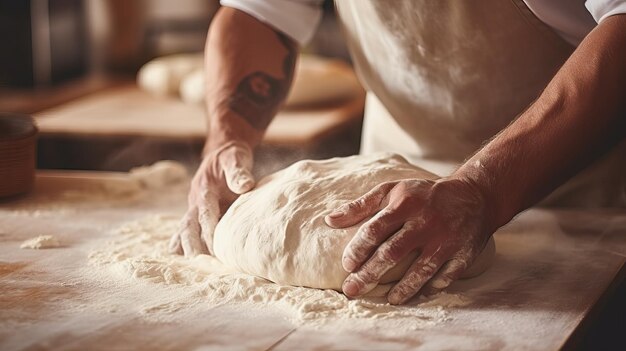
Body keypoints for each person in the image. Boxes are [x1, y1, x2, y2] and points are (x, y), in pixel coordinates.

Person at [169, 0, 626, 305]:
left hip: (576, 193)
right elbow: (261, 12)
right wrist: (226, 139)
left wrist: (482, 189)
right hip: (388, 186)